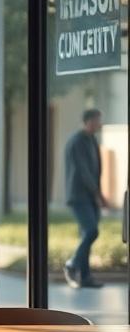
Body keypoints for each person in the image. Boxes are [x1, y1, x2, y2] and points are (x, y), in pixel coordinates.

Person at [64, 108, 105, 288]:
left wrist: (97, 192)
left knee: (86, 235)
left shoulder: (91, 140)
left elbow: (96, 170)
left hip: (90, 195)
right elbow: (83, 171)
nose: (99, 124)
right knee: (91, 231)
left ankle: (85, 277)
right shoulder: (77, 141)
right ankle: (72, 264)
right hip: (79, 195)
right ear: (88, 121)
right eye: (97, 120)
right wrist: (97, 193)